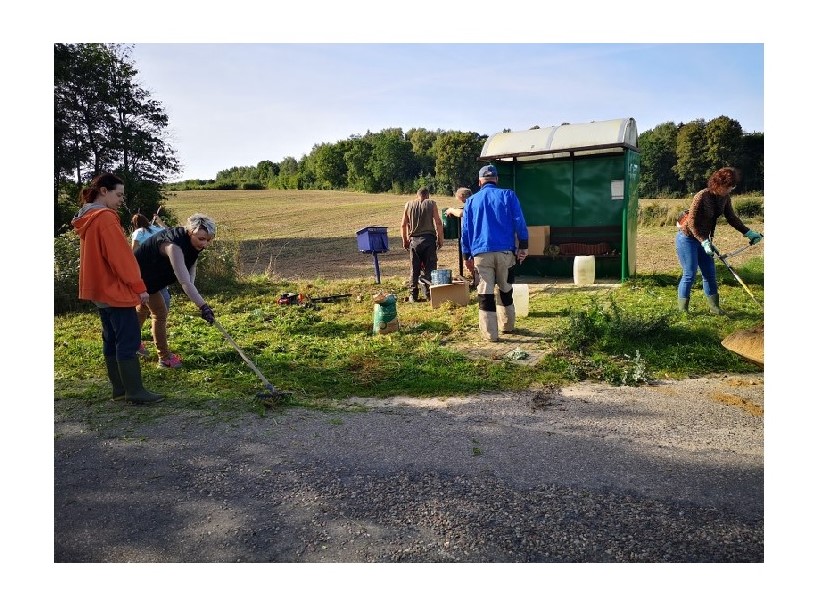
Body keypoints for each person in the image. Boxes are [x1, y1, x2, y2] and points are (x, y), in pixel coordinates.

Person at [70, 173, 163, 404]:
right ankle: (135, 391)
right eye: (118, 194)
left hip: (99, 290)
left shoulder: (87, 217)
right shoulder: (104, 217)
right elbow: (121, 258)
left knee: (111, 339)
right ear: (104, 191)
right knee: (128, 339)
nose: (121, 199)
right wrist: (138, 286)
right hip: (114, 290)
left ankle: (120, 390)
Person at [134, 213, 218, 369]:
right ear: (189, 232)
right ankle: (164, 358)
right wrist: (203, 306)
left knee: (143, 308)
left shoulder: (193, 243)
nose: (205, 244)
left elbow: (191, 269)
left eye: (208, 240)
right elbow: (184, 281)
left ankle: (130, 343)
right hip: (140, 275)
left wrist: (193, 295)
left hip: (154, 276)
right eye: (201, 239)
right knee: (160, 312)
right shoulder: (174, 246)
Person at [676, 167, 763, 315]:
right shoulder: (701, 196)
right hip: (688, 238)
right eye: (728, 186)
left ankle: (715, 309)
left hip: (704, 240)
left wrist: (748, 232)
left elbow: (732, 218)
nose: (730, 189)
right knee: (690, 273)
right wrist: (703, 241)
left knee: (710, 273)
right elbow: (691, 223)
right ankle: (683, 311)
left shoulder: (725, 198)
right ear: (718, 183)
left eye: (732, 186)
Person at [461, 164, 529, 342]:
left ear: (479, 181)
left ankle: (490, 334)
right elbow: (519, 221)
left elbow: (465, 231)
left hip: (481, 253)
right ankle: (507, 326)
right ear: (497, 179)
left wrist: (466, 255)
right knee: (505, 288)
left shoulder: (471, 201)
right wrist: (523, 245)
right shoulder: (508, 195)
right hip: (505, 252)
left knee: (485, 292)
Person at [400, 187, 444, 302]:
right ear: (428, 195)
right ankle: (429, 294)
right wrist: (440, 239)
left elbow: (403, 225)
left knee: (414, 268)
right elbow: (438, 222)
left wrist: (405, 240)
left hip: (414, 241)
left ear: (417, 195)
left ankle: (413, 295)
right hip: (429, 240)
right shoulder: (431, 203)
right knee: (430, 268)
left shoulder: (408, 205)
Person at [130, 211, 171, 328]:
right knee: (162, 292)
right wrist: (159, 221)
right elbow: (169, 231)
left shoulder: (138, 232)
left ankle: (139, 325)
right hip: (161, 267)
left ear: (135, 224)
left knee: (147, 294)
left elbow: (134, 251)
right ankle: (161, 315)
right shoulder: (157, 229)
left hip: (146, 269)